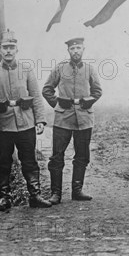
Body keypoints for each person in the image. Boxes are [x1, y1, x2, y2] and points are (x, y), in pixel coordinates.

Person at [0, 30, 52, 210]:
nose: (8, 51)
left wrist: (40, 120)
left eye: (12, 47)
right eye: (5, 48)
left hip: (25, 123)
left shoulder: (26, 69)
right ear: (0, 50)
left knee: (29, 160)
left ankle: (35, 195)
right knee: (3, 162)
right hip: (2, 125)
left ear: (17, 49)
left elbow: (35, 96)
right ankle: (5, 198)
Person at [42, 37, 102, 204]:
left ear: (84, 49)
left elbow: (97, 91)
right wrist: (58, 104)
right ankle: (56, 193)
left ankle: (77, 190)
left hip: (84, 118)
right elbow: (46, 90)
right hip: (63, 118)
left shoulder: (90, 69)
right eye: (72, 48)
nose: (75, 51)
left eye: (78, 48)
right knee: (57, 156)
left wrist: (87, 101)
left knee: (82, 155)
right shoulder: (60, 68)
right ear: (68, 51)